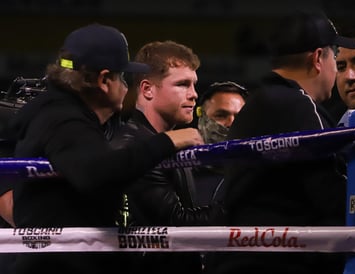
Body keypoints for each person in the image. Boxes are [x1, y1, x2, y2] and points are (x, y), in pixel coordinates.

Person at [7, 24, 203, 274]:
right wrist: (168, 141)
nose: (125, 86)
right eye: (122, 77)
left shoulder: (63, 114)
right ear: (103, 80)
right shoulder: (63, 120)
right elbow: (95, 173)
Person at [204, 10, 355, 274]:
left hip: (243, 258)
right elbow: (331, 194)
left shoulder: (260, 102)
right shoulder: (298, 105)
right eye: (337, 58)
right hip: (278, 262)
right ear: (319, 58)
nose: (339, 69)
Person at [110, 40, 225, 274]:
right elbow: (179, 225)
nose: (194, 95)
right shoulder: (135, 145)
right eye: (182, 84)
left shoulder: (168, 141)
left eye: (194, 84)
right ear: (147, 89)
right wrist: (241, 199)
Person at [193, 81, 248, 205]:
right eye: (221, 115)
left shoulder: (259, 177)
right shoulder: (179, 170)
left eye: (239, 117)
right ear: (202, 118)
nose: (231, 123)